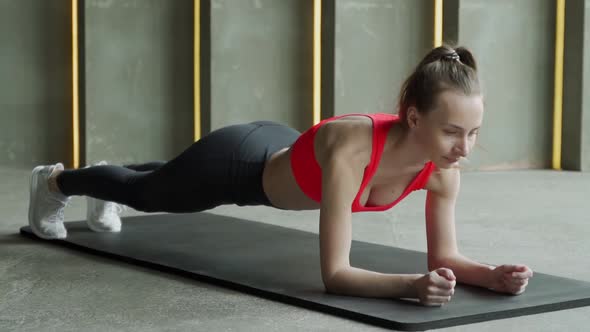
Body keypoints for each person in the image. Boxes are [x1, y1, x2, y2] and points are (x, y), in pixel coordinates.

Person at [28, 45, 533, 307]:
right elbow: (335, 276)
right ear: (415, 117)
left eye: (473, 133)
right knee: (148, 194)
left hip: (279, 148)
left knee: (163, 178)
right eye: (452, 132)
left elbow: (444, 257)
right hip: (240, 166)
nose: (464, 148)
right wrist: (410, 286)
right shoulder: (353, 151)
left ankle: (100, 177)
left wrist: (492, 276)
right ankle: (55, 183)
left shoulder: (443, 172)